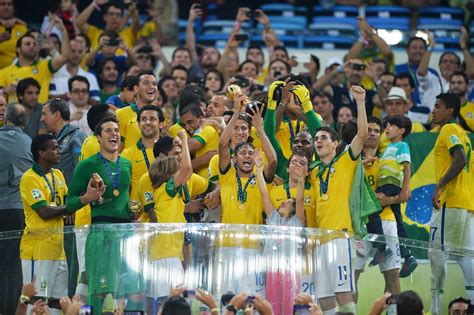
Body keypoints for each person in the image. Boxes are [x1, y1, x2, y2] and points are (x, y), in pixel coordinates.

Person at [66, 116, 143, 313]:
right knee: (100, 290)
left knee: (131, 291)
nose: (114, 134)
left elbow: (124, 196)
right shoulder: (87, 165)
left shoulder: (126, 164)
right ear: (98, 138)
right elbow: (69, 202)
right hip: (100, 235)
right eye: (108, 130)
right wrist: (88, 197)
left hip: (126, 233)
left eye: (116, 130)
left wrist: (134, 212)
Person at [311, 85, 368, 314]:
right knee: (324, 298)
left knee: (343, 293)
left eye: (324, 137)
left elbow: (362, 135)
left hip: (339, 238)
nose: (318, 141)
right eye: (316, 138)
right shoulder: (313, 172)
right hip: (318, 241)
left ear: (335, 143)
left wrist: (361, 103)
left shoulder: (346, 161)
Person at [429, 93, 474, 315]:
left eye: (438, 106)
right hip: (467, 204)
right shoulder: (465, 135)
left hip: (451, 201)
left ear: (450, 111)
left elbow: (460, 159)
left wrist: (439, 185)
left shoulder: (449, 129)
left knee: (436, 252)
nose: (434, 110)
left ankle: (434, 309)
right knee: (466, 256)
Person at [19, 134, 69, 315]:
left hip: (58, 250)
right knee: (37, 301)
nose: (59, 151)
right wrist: (70, 207)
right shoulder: (29, 178)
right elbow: (44, 212)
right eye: (54, 148)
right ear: (41, 153)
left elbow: (65, 206)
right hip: (37, 252)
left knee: (59, 302)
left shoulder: (59, 175)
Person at [354, 117, 401, 302]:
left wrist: (383, 199)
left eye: (376, 130)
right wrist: (374, 200)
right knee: (352, 276)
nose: (372, 133)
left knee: (392, 276)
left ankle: (393, 312)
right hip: (360, 223)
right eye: (369, 129)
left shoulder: (386, 162)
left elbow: (402, 196)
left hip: (387, 220)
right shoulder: (351, 162)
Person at [255, 150, 306, 315]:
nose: (285, 202)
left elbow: (299, 199)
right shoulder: (273, 218)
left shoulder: (297, 222)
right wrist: (258, 169)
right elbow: (264, 193)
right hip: (272, 271)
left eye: (289, 203)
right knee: (273, 307)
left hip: (291, 270)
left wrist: (301, 180)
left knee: (290, 307)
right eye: (284, 201)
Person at [146, 130, 192, 309]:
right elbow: (188, 168)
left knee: (169, 306)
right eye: (176, 171)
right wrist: (184, 139)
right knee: (168, 305)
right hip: (165, 258)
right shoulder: (167, 190)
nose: (180, 172)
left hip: (167, 256)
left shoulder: (169, 194)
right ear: (169, 175)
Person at [368, 115, 417, 278]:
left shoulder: (402, 146)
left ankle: (382, 247)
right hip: (389, 183)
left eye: (391, 126)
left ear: (401, 130)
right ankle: (408, 255)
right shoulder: (388, 148)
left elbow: (407, 167)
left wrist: (405, 188)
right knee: (397, 219)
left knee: (372, 208)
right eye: (386, 126)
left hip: (390, 184)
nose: (387, 129)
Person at [0, 103, 32, 315]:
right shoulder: (30, 143)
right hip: (18, 212)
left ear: (5, 119)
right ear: (25, 123)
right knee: (13, 267)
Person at [0, 15, 71, 103]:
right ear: (18, 49)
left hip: (39, 114)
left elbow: (65, 57)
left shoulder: (45, 66)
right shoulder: (5, 72)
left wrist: (63, 30)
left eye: (34, 44)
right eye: (27, 44)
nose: (32, 46)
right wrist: (3, 91)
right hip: (15, 114)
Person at [122, 105, 164, 214]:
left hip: (167, 215)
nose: (148, 122)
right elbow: (123, 189)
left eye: (152, 119)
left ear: (161, 124)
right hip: (139, 221)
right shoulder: (127, 154)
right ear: (139, 125)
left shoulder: (171, 151)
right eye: (143, 119)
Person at [41, 98, 86, 184]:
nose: (41, 119)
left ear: (57, 115)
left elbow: (82, 171)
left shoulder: (76, 136)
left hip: (70, 195)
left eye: (44, 114)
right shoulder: (49, 139)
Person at [49, 38, 100, 103]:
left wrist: (74, 95)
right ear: (65, 51)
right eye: (73, 51)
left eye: (80, 52)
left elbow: (96, 102)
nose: (77, 55)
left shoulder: (91, 77)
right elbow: (50, 99)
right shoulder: (54, 75)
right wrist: (68, 96)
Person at [75, 0, 139, 51]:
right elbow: (78, 22)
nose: (114, 17)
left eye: (118, 14)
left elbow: (136, 24)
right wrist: (94, 4)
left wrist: (133, 9)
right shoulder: (94, 33)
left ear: (122, 18)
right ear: (105, 17)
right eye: (111, 13)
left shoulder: (129, 33)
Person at [116, 72, 158, 150]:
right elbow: (118, 148)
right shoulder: (121, 113)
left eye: (154, 84)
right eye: (146, 83)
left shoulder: (159, 115)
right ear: (136, 89)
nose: (151, 86)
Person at [0, 0, 28, 69]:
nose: (6, 7)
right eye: (3, 4)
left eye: (9, 4)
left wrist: (18, 21)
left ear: (13, 8)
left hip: (19, 72)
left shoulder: (22, 27)